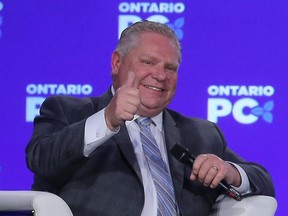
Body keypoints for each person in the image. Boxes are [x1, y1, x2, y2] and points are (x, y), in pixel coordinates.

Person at [26, 20, 275, 216]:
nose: (161, 75)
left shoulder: (201, 132)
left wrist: (230, 172)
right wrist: (107, 119)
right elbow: (41, 160)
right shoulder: (68, 110)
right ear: (116, 63)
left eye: (171, 68)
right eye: (148, 62)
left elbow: (263, 181)